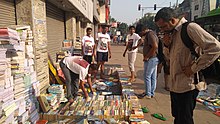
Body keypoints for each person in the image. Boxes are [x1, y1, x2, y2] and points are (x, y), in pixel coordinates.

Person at [154, 7, 220, 124]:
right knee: (177, 117)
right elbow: (169, 58)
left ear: (173, 21)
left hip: (188, 85)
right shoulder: (172, 33)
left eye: (163, 26)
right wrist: (166, 45)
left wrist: (193, 68)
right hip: (175, 85)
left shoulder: (190, 28)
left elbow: (215, 48)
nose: (162, 30)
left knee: (185, 119)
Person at [134, 26, 159, 99]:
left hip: (151, 58)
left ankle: (148, 93)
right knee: (152, 77)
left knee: (147, 76)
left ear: (143, 30)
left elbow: (155, 46)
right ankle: (151, 92)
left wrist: (147, 56)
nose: (139, 35)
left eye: (139, 33)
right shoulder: (151, 34)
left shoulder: (150, 34)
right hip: (153, 58)